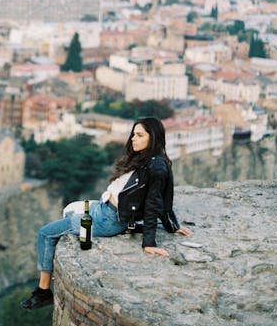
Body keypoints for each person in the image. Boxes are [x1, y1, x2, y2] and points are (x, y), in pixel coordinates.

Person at [21, 116, 193, 310]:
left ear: (153, 138)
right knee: (69, 208)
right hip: (102, 207)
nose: (133, 139)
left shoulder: (156, 167)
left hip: (108, 219)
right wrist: (172, 225)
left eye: (139, 135)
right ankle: (55, 258)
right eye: (133, 135)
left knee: (45, 233)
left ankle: (43, 291)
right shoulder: (143, 158)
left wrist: (150, 242)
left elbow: (157, 201)